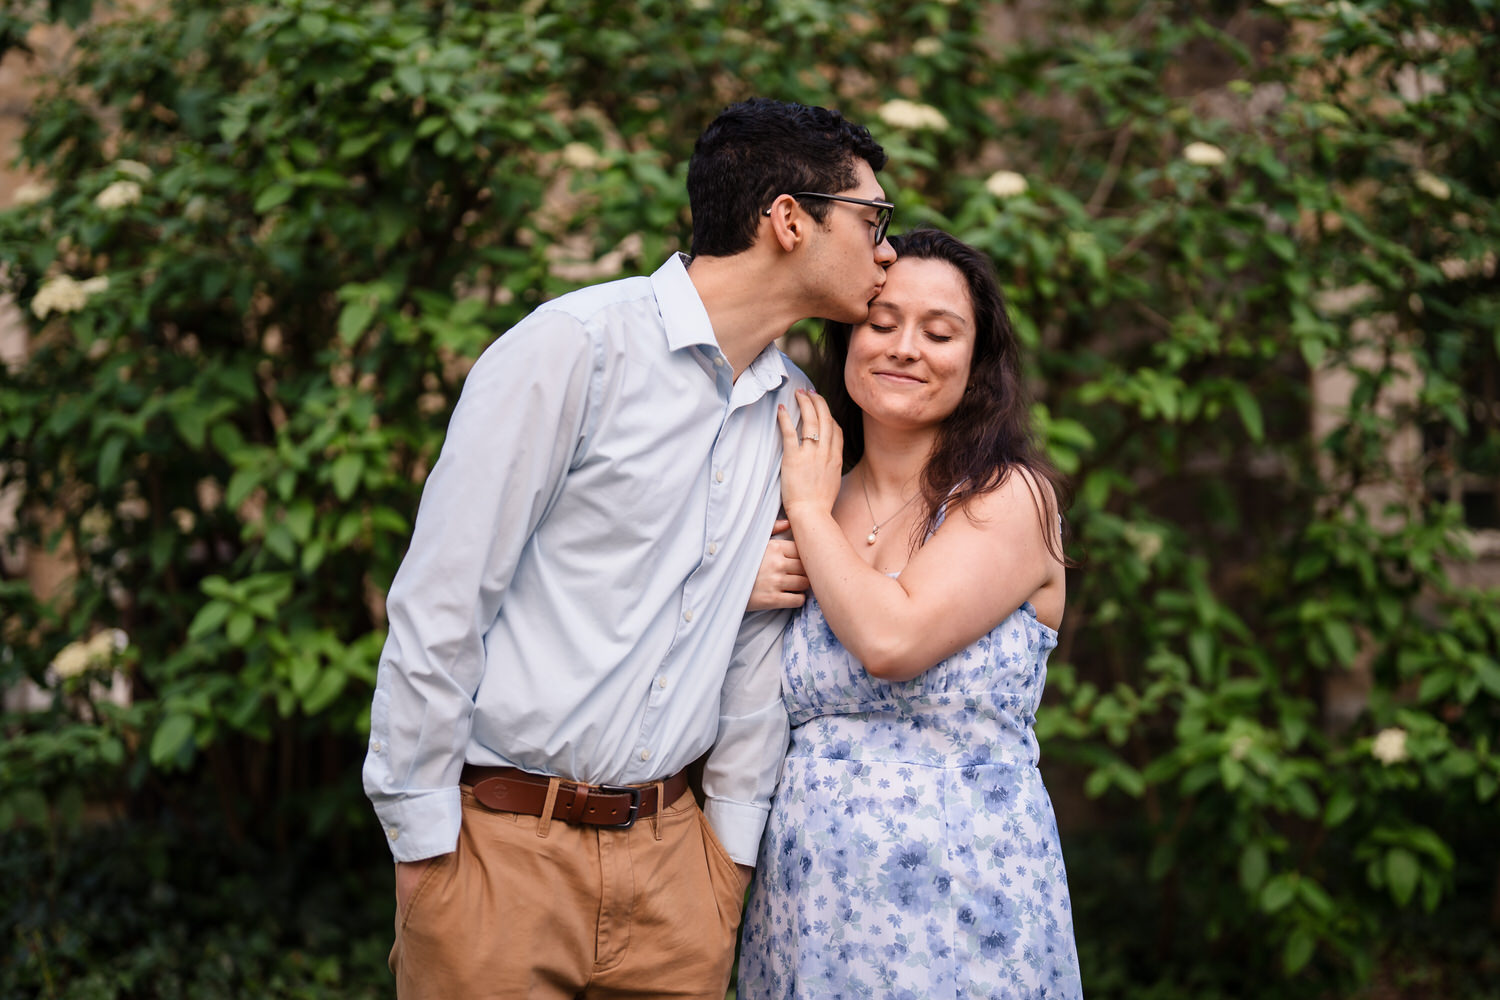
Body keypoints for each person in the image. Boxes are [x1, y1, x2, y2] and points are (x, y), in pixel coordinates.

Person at [361, 97, 897, 1000]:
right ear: (789, 219)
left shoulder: (797, 410)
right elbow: (444, 600)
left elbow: (754, 657)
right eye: (872, 220)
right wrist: (424, 851)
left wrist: (725, 856)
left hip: (675, 880)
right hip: (501, 855)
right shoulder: (572, 350)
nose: (886, 250)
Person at [737, 228, 1084, 999]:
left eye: (939, 331)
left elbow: (891, 640)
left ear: (976, 360)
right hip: (810, 904)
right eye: (882, 321)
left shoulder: (1010, 498)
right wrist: (735, 584)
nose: (904, 348)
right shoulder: (803, 488)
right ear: (848, 336)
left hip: (968, 905)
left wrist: (806, 509)